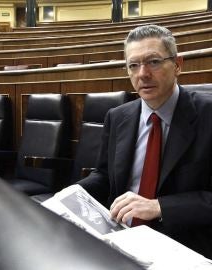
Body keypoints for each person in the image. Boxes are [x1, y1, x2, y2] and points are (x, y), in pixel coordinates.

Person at [77, 24, 212, 259]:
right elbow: (104, 176)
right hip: (119, 237)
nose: (142, 74)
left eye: (154, 62)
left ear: (178, 65)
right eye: (133, 65)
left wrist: (160, 206)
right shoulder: (117, 117)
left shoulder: (208, 115)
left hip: (183, 243)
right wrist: (71, 195)